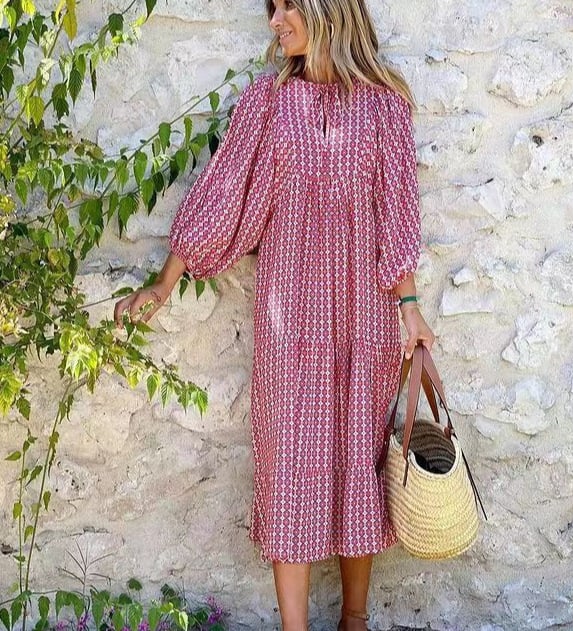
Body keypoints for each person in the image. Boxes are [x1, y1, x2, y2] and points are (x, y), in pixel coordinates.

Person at [114, 0, 435, 629]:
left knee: (358, 461)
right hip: (290, 315)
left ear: (328, 11)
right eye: (272, 7)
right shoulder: (268, 102)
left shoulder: (385, 108)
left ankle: (355, 620)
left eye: (289, 6)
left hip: (363, 313)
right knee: (288, 464)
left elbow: (397, 213)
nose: (275, 20)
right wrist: (165, 281)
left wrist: (411, 310)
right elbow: (224, 190)